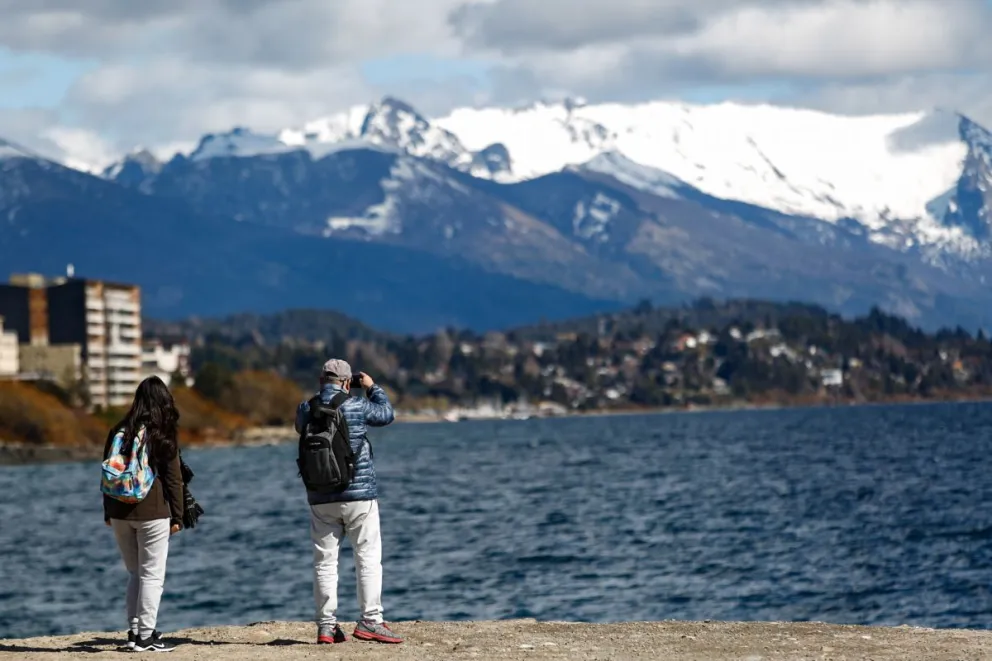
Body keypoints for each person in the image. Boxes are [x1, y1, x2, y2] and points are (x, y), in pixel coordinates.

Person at [295, 359, 402, 645]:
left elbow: (299, 425)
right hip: (359, 494)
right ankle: (370, 621)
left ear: (321, 381)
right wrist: (371, 387)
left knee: (324, 562)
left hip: (320, 496)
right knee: (366, 558)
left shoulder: (307, 408)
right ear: (346, 382)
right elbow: (386, 414)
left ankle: (326, 626)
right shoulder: (355, 405)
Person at [102, 376, 184, 653]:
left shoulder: (118, 431)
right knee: (152, 575)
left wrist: (107, 511)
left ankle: (134, 631)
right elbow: (174, 479)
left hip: (118, 511)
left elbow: (108, 472)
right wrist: (178, 515)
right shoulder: (161, 433)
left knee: (135, 572)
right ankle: (146, 637)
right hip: (152, 511)